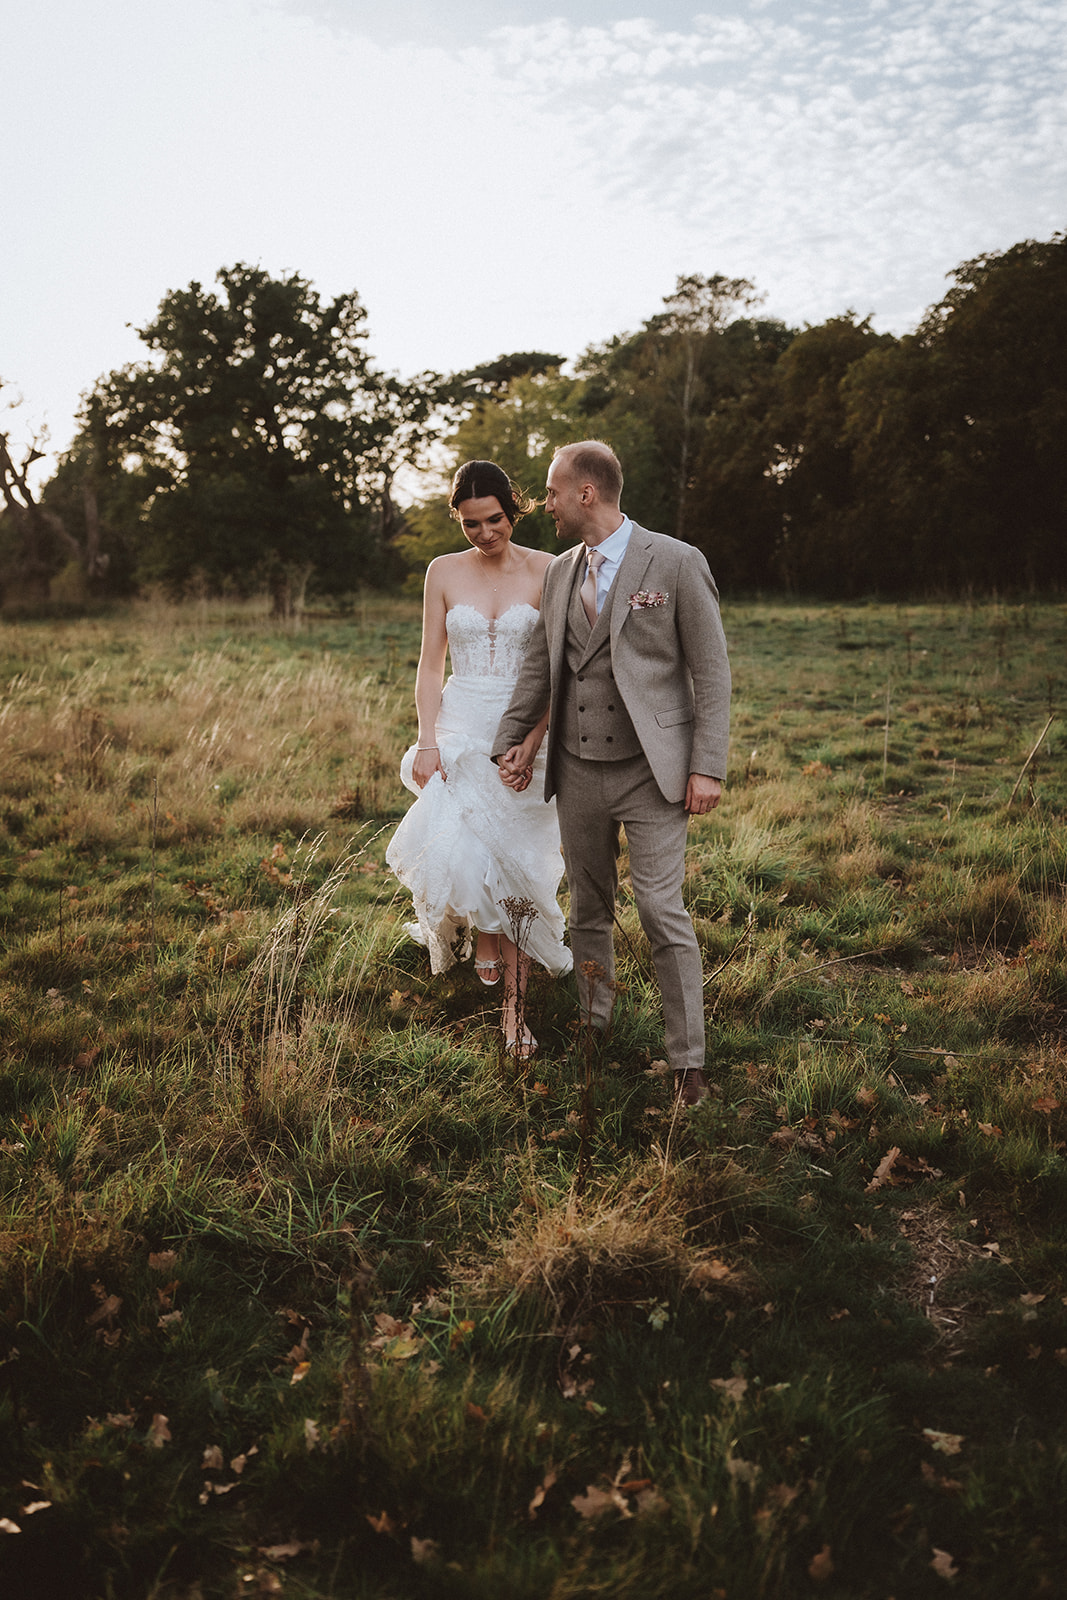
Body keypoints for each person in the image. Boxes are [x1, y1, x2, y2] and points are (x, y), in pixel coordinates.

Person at [493, 440, 731, 1104]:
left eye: (551, 491)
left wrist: (706, 767)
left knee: (660, 910)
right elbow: (541, 666)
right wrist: (509, 740)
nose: (545, 504)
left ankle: (689, 1062)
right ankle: (594, 1027)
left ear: (586, 494)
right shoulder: (559, 571)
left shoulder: (677, 562)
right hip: (577, 769)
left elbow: (710, 673)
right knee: (587, 911)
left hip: (653, 771)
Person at [386, 460, 572, 1058]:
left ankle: (515, 1015)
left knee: (518, 865)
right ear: (457, 521)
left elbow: (557, 668)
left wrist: (535, 738)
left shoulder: (549, 569)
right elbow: (431, 663)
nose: (484, 533)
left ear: (513, 510)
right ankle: (485, 940)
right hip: (461, 725)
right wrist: (429, 737)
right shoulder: (442, 572)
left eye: (493, 520)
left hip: (522, 729)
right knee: (470, 852)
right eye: (470, 524)